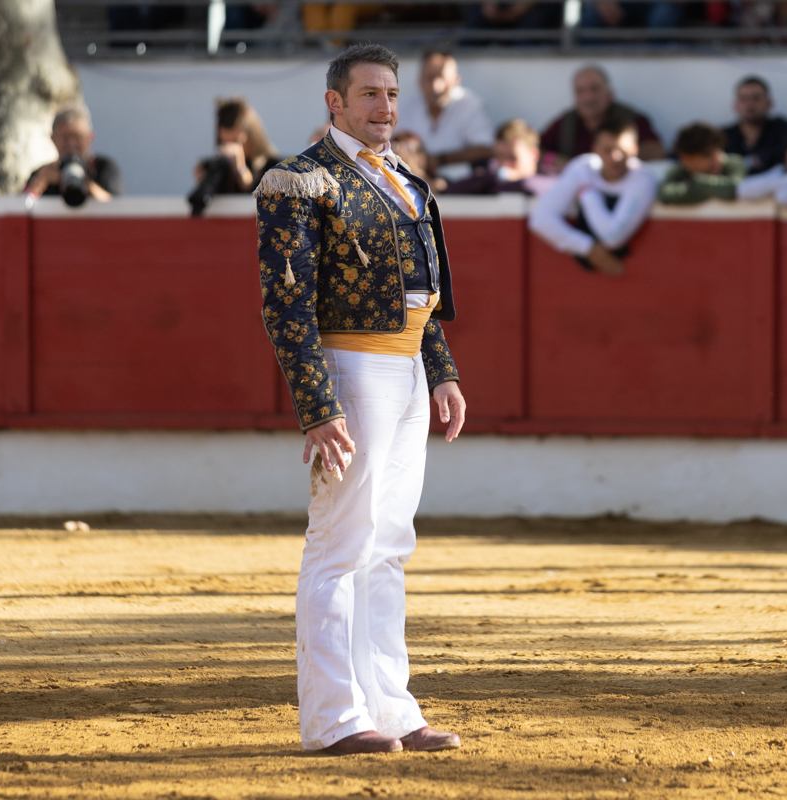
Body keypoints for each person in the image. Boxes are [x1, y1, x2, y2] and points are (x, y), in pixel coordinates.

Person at [253, 43, 465, 756]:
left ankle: (392, 708)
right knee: (341, 543)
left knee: (389, 546)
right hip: (349, 370)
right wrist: (318, 404)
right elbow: (286, 302)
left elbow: (421, 295)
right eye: (369, 94)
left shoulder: (403, 178)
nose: (385, 107)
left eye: (391, 94)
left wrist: (441, 371)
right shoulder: (300, 180)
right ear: (334, 102)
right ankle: (335, 719)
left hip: (402, 374)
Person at [528, 114, 658, 275]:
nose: (615, 157)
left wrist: (587, 194)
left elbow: (613, 238)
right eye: (607, 150)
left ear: (635, 150)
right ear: (594, 148)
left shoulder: (643, 178)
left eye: (622, 151)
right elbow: (540, 220)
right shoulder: (582, 168)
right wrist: (588, 248)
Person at [538, 65, 665, 171]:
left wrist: (618, 158)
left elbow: (657, 152)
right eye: (580, 91)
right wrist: (555, 160)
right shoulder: (566, 123)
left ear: (610, 94)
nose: (588, 97)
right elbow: (535, 150)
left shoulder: (630, 119)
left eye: (595, 89)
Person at [395, 51, 495, 181]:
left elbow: (487, 149)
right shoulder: (403, 106)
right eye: (430, 78)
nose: (436, 87)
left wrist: (440, 160)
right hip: (411, 183)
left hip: (459, 186)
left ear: (456, 80)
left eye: (442, 78)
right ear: (420, 81)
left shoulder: (470, 104)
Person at [24, 105, 123, 201]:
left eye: (77, 137)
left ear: (89, 138)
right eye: (65, 137)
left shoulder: (104, 169)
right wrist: (38, 183)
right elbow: (18, 209)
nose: (71, 143)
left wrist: (88, 187)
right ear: (53, 139)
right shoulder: (45, 173)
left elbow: (120, 209)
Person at [444, 119, 555, 195]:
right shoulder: (488, 179)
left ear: (534, 155)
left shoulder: (550, 178)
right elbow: (450, 191)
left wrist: (508, 179)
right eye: (499, 157)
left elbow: (533, 186)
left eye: (513, 157)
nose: (505, 164)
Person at [194, 97, 280, 195]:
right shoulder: (222, 172)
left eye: (236, 141)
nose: (230, 148)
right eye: (224, 142)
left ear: (253, 136)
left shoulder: (276, 169)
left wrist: (240, 168)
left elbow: (253, 191)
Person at [722, 76, 787, 176]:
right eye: (744, 99)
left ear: (769, 103)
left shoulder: (783, 130)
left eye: (756, 98)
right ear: (735, 105)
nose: (750, 104)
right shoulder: (724, 136)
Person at [659, 123, 745, 204]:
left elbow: (736, 189)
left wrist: (696, 183)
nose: (716, 159)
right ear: (686, 158)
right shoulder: (680, 170)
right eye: (707, 155)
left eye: (717, 151)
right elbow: (664, 193)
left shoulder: (733, 163)